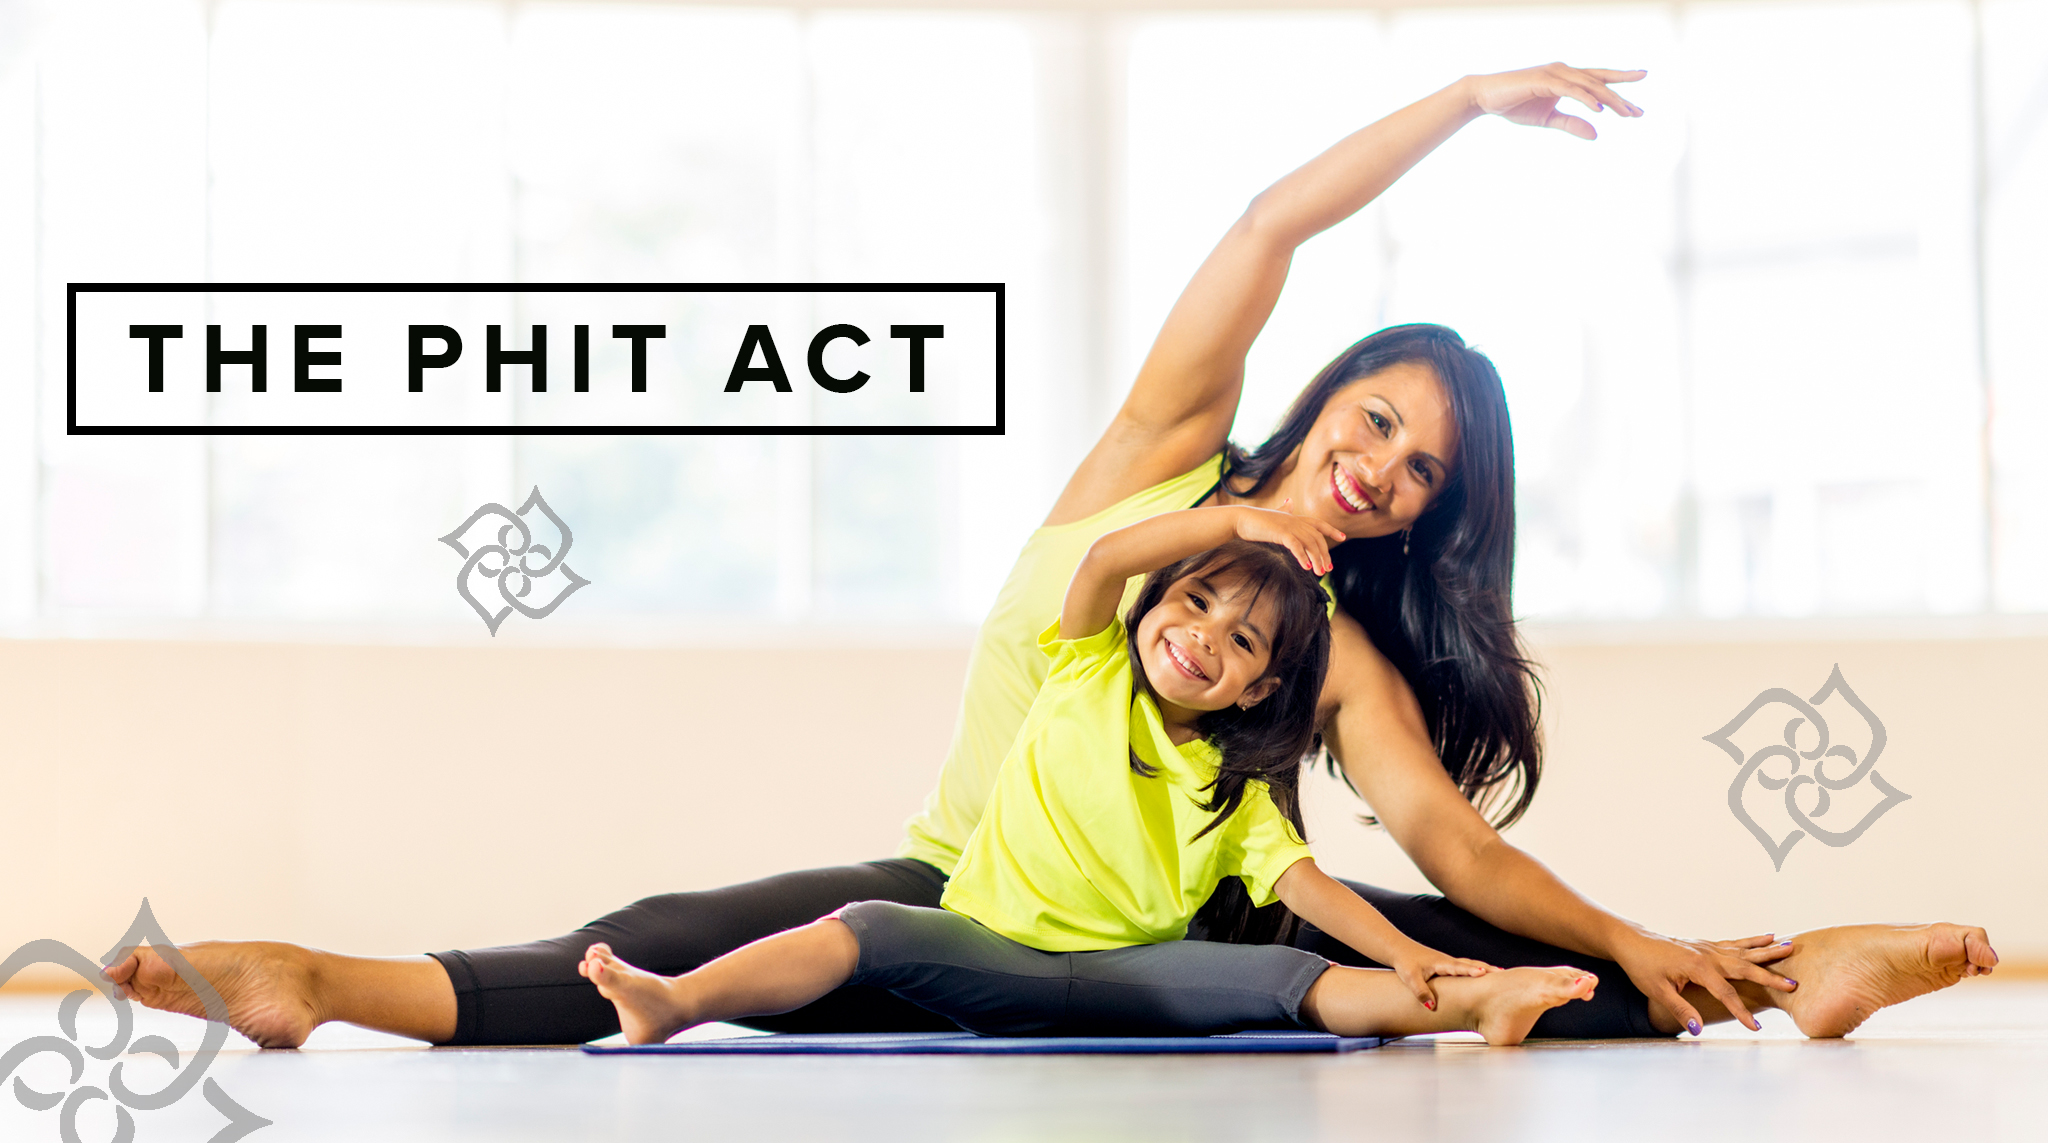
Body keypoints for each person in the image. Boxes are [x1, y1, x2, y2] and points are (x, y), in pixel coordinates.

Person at [103, 62, 1997, 1050]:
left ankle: (1773, 969)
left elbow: (1445, 843)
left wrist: (1622, 932)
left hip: (1143, 913)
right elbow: (1264, 223)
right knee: (673, 935)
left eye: (1421, 475)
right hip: (960, 866)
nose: (1383, 475)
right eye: (1371, 427)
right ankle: (325, 981)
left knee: (1452, 945)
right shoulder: (1154, 464)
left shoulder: (1327, 640)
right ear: (1315, 405)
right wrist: (1459, 104)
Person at [580, 509, 1598, 1047]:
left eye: (1238, 641)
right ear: (1160, 601)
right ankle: (675, 1002)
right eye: (1194, 605)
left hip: (1136, 980)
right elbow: (1110, 556)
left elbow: (1308, 889)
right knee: (862, 930)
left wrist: (1412, 953)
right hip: (992, 949)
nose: (1201, 639)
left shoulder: (1229, 787)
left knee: (1298, 983)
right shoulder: (1088, 662)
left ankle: (1473, 1006)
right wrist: (1237, 524)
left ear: (1258, 688)